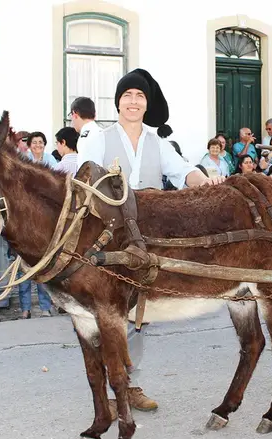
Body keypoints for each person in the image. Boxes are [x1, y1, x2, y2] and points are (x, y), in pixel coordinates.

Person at [78, 67, 226, 413]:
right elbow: (84, 177)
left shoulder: (157, 142)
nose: (133, 101)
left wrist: (207, 183)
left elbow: (183, 171)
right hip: (107, 238)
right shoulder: (99, 137)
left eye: (139, 96)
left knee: (138, 313)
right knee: (107, 314)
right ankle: (112, 387)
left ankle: (130, 385)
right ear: (117, 103)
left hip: (145, 240)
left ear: (147, 104)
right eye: (127, 95)